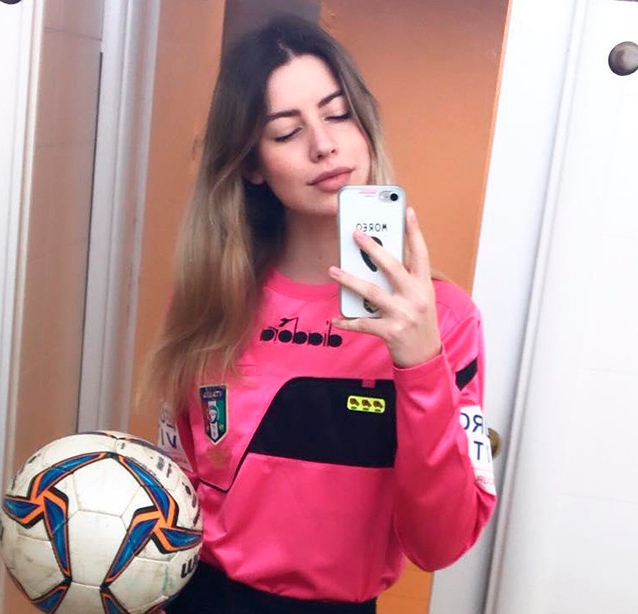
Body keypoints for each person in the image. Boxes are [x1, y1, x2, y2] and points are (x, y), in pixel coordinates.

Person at [147, 14, 496, 614]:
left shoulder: (445, 320)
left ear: (365, 127)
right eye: (286, 131)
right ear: (252, 164)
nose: (323, 145)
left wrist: (420, 364)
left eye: (338, 115)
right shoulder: (209, 300)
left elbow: (440, 544)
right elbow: (177, 486)